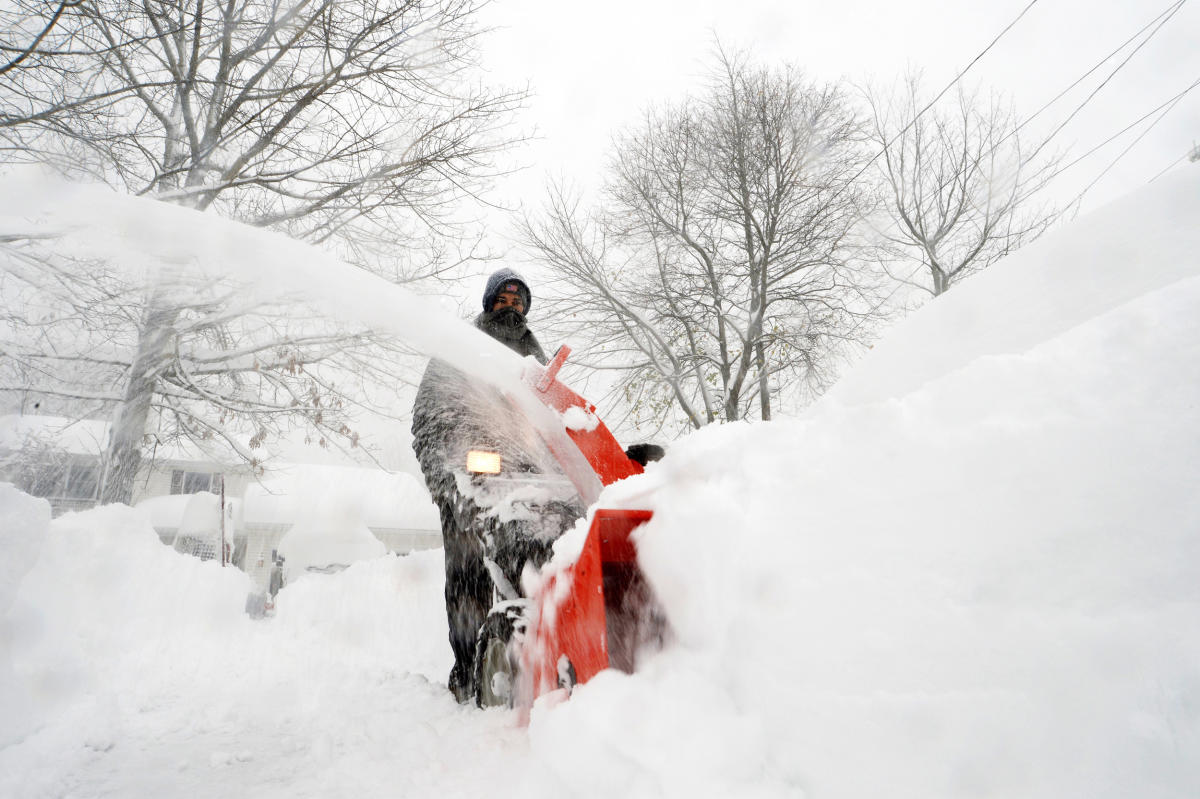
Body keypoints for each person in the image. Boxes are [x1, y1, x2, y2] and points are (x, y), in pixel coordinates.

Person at [410, 268, 576, 703]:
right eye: (503, 298)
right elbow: (428, 418)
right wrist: (448, 481)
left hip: (526, 486)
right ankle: (468, 671)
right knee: (469, 577)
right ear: (489, 303)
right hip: (468, 483)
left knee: (543, 564)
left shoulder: (533, 357)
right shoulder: (460, 349)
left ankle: (544, 649)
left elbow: (553, 423)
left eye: (519, 300)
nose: (512, 305)